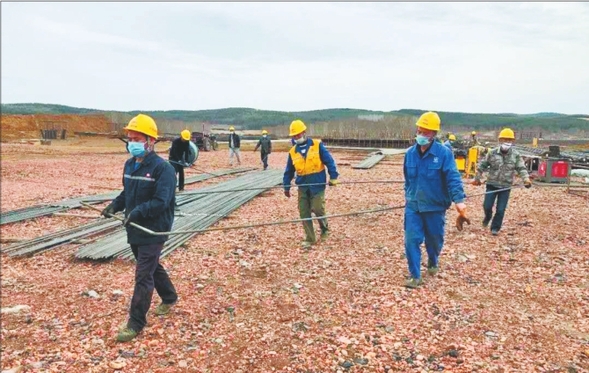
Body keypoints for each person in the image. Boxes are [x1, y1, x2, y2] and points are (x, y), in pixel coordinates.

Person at [101, 114, 178, 342]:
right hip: (134, 226)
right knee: (151, 266)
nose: (131, 143)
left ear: (150, 141)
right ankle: (170, 296)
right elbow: (127, 192)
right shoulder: (130, 164)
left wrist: (137, 212)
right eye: (129, 138)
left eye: (136, 138)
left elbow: (161, 201)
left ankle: (136, 322)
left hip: (154, 228)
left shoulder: (163, 169)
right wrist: (115, 205)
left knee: (143, 274)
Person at [403, 111, 467, 289]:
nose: (422, 135)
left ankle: (433, 260)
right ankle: (415, 276)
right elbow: (407, 179)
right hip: (414, 207)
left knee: (434, 240)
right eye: (420, 130)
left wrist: (459, 200)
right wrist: (408, 197)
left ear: (434, 134)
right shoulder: (409, 154)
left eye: (426, 132)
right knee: (411, 240)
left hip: (435, 207)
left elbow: (453, 177)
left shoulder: (444, 154)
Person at [283, 119, 339, 249]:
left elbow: (329, 161)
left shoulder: (317, 145)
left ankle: (324, 229)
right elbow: (288, 171)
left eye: (298, 134)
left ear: (304, 132)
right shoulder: (292, 152)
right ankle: (310, 238)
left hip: (317, 185)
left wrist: (333, 176)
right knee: (304, 212)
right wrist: (286, 186)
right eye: (294, 135)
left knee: (318, 209)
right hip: (303, 186)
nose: (296, 137)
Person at [473, 128, 531, 236]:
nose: (507, 142)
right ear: (500, 140)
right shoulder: (492, 153)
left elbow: (521, 168)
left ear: (512, 141)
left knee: (500, 210)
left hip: (505, 186)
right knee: (487, 206)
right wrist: (477, 178)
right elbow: (482, 166)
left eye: (509, 140)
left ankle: (495, 228)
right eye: (505, 139)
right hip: (491, 184)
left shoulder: (516, 155)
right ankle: (488, 216)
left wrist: (526, 179)